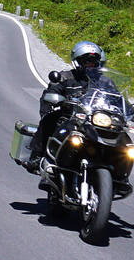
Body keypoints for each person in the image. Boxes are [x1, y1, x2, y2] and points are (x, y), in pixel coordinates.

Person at [23, 40, 102, 171]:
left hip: (95, 119)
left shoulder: (103, 81)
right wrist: (55, 103)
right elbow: (50, 94)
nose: (90, 65)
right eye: (87, 61)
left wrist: (131, 112)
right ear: (78, 61)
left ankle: (118, 172)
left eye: (93, 62)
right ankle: (37, 157)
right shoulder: (64, 77)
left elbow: (117, 97)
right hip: (70, 118)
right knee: (49, 119)